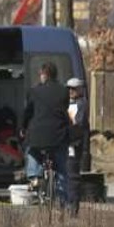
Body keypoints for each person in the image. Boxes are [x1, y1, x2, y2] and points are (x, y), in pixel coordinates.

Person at [21, 61, 70, 207]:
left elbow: (27, 113)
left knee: (32, 150)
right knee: (61, 167)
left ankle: (34, 176)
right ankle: (62, 200)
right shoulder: (64, 91)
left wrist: (23, 128)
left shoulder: (33, 91)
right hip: (58, 135)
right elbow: (64, 108)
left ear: (43, 74)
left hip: (37, 135)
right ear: (55, 75)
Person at [66, 77, 88, 214]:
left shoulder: (82, 104)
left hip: (74, 144)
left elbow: (78, 124)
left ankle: (73, 205)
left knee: (72, 174)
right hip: (65, 142)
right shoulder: (67, 103)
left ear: (80, 90)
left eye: (74, 89)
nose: (71, 91)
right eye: (69, 88)